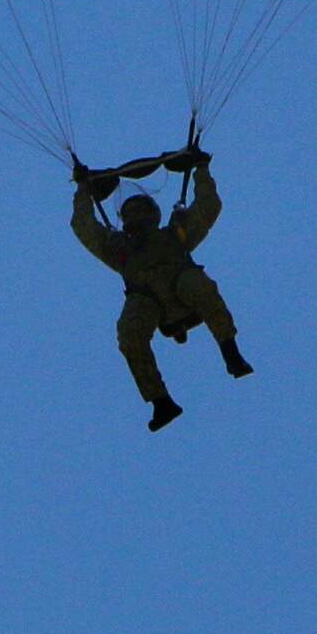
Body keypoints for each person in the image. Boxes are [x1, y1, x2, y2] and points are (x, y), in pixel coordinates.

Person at [69, 148, 251, 432]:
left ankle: (230, 350)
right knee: (129, 335)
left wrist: (201, 169)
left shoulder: (176, 233)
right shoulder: (119, 249)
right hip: (147, 301)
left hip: (183, 287)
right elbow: (83, 226)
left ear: (154, 214)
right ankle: (161, 402)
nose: (135, 215)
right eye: (129, 212)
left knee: (197, 285)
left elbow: (208, 205)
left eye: (141, 209)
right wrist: (82, 191)